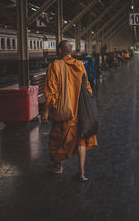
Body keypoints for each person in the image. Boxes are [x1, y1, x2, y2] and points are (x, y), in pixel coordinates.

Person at [42, 40, 98, 181]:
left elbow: (51, 91)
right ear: (71, 51)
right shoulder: (79, 65)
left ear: (60, 51)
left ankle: (57, 166)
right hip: (79, 110)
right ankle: (81, 173)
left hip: (64, 111)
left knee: (57, 138)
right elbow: (88, 88)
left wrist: (47, 111)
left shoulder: (54, 66)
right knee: (81, 140)